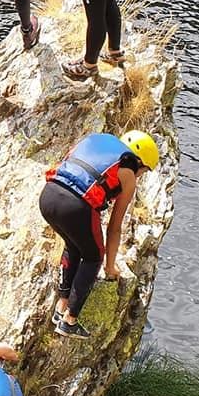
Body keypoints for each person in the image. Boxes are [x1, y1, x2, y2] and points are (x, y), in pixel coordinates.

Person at [38, 130, 159, 339]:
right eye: (144, 171)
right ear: (140, 161)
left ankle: (62, 304)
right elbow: (114, 227)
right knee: (93, 255)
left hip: (48, 196)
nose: (140, 176)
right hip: (76, 206)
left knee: (74, 244)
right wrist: (110, 266)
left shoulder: (95, 141)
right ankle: (70, 320)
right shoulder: (127, 171)